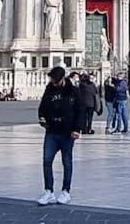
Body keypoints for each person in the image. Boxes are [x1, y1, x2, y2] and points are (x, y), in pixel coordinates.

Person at [36, 66, 84, 206]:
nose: (54, 83)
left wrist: (77, 129)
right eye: (52, 80)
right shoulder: (49, 90)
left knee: (67, 161)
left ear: (63, 79)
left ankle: (66, 191)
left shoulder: (73, 91)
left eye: (56, 81)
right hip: (52, 130)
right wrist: (42, 118)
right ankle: (48, 191)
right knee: (47, 160)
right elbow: (42, 107)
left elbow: (80, 110)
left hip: (67, 132)